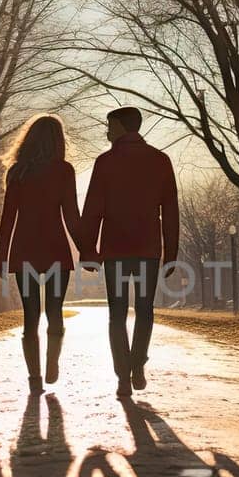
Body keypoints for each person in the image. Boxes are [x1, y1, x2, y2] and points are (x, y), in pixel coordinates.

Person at [79, 107, 179, 399]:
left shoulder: (106, 162)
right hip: (148, 249)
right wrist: (170, 251)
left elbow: (93, 208)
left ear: (122, 127)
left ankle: (123, 375)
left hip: (116, 250)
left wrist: (89, 249)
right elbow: (170, 210)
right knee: (145, 309)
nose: (106, 132)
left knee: (117, 313)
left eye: (110, 126)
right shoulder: (161, 161)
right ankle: (137, 364)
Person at [0, 115, 85, 394]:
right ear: (58, 140)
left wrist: (1, 255)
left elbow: (8, 217)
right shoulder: (64, 171)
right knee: (55, 310)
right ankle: (52, 364)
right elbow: (71, 216)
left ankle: (34, 377)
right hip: (56, 248)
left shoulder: (18, 172)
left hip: (24, 249)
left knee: (30, 316)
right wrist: (88, 250)